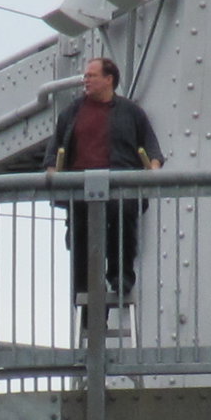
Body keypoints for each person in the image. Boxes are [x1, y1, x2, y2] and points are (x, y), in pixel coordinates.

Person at [43, 57, 164, 302]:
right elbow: (54, 151)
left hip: (120, 188)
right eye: (86, 76)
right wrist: (53, 175)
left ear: (109, 79)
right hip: (80, 190)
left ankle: (121, 279)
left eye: (91, 75)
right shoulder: (72, 112)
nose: (85, 80)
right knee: (81, 244)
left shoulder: (131, 112)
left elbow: (152, 147)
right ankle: (86, 301)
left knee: (122, 230)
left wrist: (153, 169)